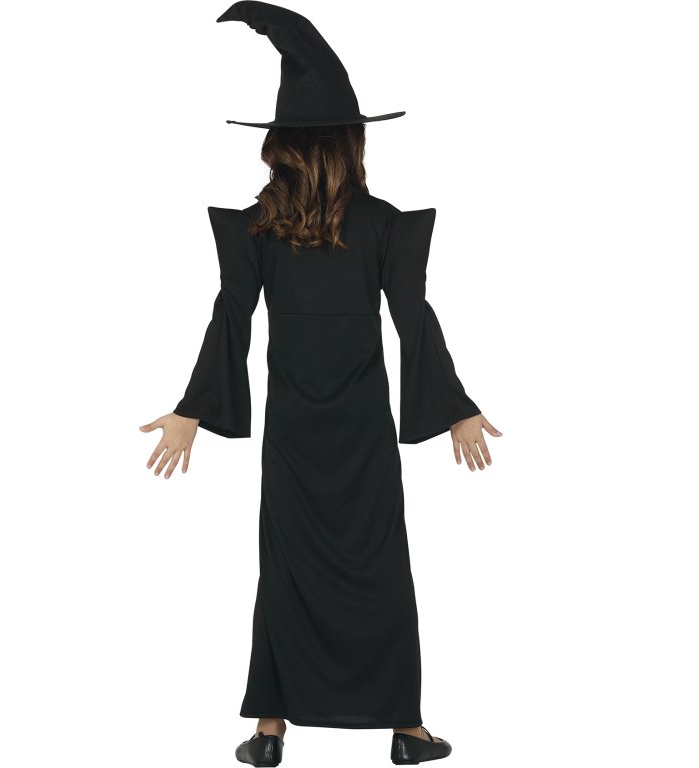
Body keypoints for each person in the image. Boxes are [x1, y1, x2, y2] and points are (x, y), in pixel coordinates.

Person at [139, 3, 501, 765]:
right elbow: (413, 316)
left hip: (295, 429)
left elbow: (231, 317)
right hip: (361, 428)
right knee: (379, 569)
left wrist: (192, 410)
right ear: (352, 143)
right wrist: (455, 407)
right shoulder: (383, 223)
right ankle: (406, 730)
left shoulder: (259, 225)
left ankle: (270, 729)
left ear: (279, 146)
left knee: (287, 568)